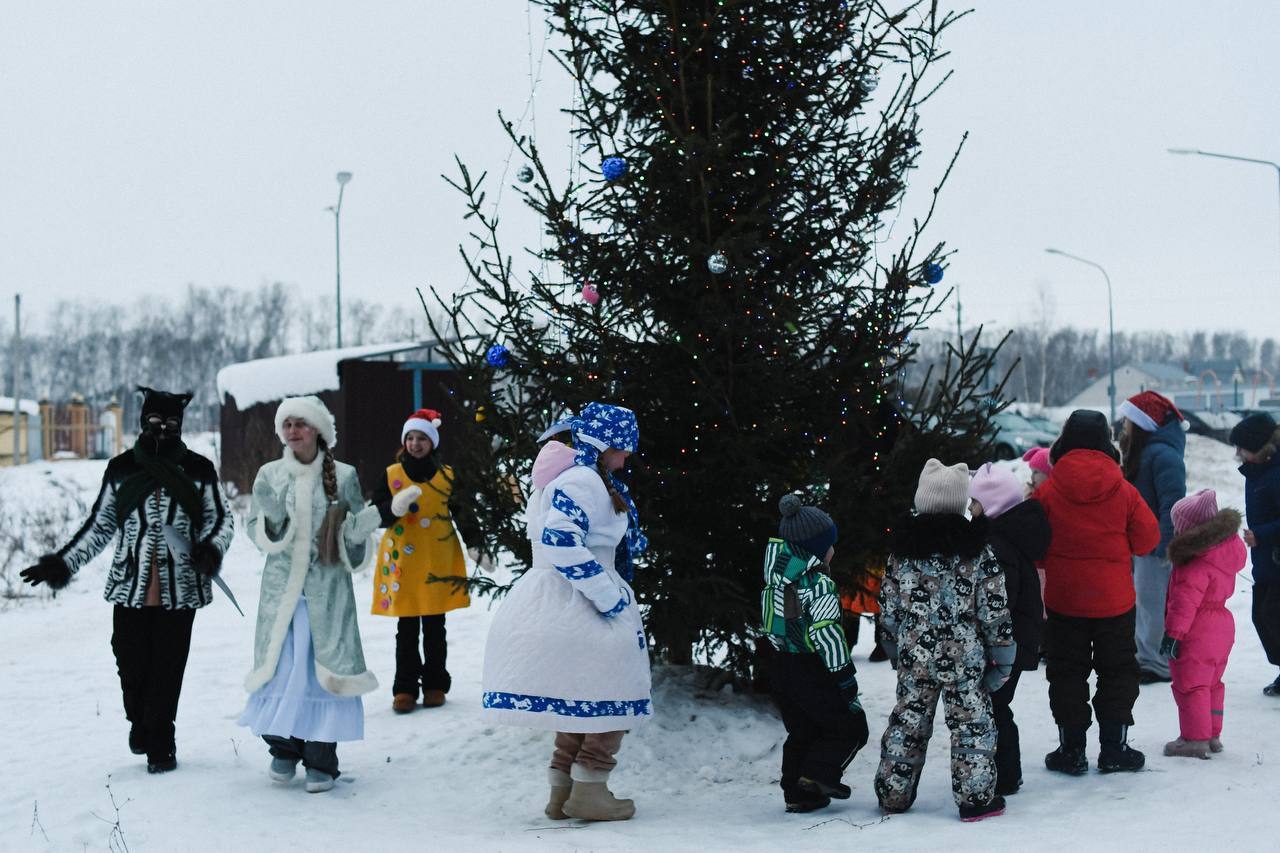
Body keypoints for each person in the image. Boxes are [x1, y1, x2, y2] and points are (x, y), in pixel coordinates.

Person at [20, 387, 234, 773]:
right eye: (155, 420)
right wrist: (61, 564)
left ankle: (160, 743)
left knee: (168, 667)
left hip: (181, 587)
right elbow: (100, 526)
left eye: (171, 422)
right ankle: (140, 721)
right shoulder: (121, 468)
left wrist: (211, 549)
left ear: (181, 425)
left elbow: (221, 519)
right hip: (130, 586)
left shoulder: (198, 469)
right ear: (142, 421)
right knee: (130, 661)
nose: (162, 428)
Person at [481, 403, 650, 822]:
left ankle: (563, 790)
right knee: (613, 694)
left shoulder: (571, 479)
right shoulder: (582, 481)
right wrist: (606, 594)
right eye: (623, 449)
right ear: (604, 444)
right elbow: (560, 541)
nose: (626, 457)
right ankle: (591, 787)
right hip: (582, 605)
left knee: (582, 696)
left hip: (566, 603)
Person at [239, 395, 381, 793]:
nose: (293, 431)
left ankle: (321, 759)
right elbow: (256, 530)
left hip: (327, 594)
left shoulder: (345, 475)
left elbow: (352, 536)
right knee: (280, 675)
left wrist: (365, 524)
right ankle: (284, 749)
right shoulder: (270, 474)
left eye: (301, 423)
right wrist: (271, 521)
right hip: (282, 596)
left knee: (322, 678)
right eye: (287, 424)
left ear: (318, 429)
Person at [874, 459, 1013, 822]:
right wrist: (1003, 653)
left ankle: (894, 793)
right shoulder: (976, 551)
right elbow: (993, 609)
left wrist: (892, 646)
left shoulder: (901, 554)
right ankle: (975, 798)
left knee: (908, 719)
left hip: (915, 654)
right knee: (971, 723)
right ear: (960, 503)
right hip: (964, 656)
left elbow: (888, 607)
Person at [1036, 410, 1159, 775]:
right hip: (1115, 603)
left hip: (1064, 601)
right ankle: (1114, 748)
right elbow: (1147, 540)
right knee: (1118, 670)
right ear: (1106, 442)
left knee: (1066, 672)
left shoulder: (1047, 491)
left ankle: (1071, 749)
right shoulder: (1124, 490)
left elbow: (1036, 547)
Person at [369, 408, 483, 713]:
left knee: (435, 626)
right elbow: (375, 513)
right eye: (411, 438)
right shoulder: (392, 475)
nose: (416, 444)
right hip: (404, 562)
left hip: (437, 558)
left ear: (432, 442)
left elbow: (463, 512)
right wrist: (392, 507)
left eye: (422, 438)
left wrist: (476, 545)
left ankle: (435, 684)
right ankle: (404, 689)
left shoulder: (447, 475)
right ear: (404, 441)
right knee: (406, 628)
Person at [762, 495, 869, 813]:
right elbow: (827, 632)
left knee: (803, 730)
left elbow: (771, 626)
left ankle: (797, 792)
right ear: (818, 548)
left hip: (782, 664)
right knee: (850, 727)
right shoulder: (818, 583)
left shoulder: (773, 581)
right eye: (830, 544)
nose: (834, 550)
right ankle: (819, 777)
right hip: (815, 666)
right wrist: (842, 673)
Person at [969, 462, 1051, 796]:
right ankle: (1003, 771)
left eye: (974, 503)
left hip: (1007, 641)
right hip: (1014, 637)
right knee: (996, 704)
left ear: (990, 506)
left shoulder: (998, 546)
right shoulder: (1007, 534)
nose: (970, 509)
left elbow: (1000, 601)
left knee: (995, 705)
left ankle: (1005, 775)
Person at [1160, 489, 1246, 759]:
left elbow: (1184, 603)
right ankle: (1212, 734)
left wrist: (1174, 635)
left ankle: (1194, 739)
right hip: (1221, 627)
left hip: (1197, 629)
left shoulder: (1194, 563)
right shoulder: (1222, 551)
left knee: (1191, 685)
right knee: (1212, 683)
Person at [1118, 391, 1187, 684]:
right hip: (1142, 542)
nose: (1123, 426)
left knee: (1153, 602)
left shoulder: (1163, 455)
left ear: (1142, 424)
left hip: (1156, 546)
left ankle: (1156, 662)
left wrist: (1164, 546)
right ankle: (1146, 656)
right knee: (1144, 601)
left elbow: (1173, 505)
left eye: (1127, 421)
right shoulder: (1146, 453)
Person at [1230, 412, 1280, 696]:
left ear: (1260, 446)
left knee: (1272, 616)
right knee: (1262, 617)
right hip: (1265, 561)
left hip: (1274, 557)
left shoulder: (1274, 474)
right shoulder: (1256, 471)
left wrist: (1262, 534)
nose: (1237, 453)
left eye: (1242, 447)